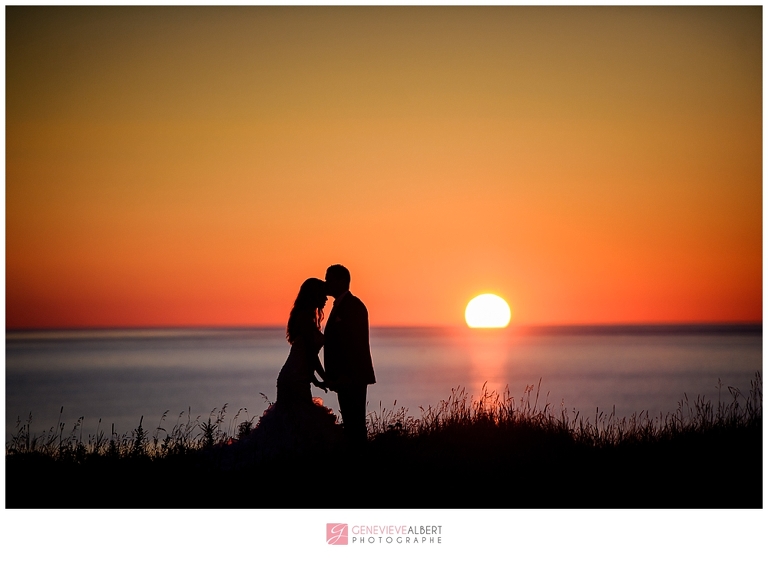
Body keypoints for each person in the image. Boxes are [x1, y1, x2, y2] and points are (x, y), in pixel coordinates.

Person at [244, 277, 341, 458]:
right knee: (298, 418)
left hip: (299, 376)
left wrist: (316, 381)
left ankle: (291, 455)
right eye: (323, 294)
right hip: (294, 377)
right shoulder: (304, 318)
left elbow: (307, 355)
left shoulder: (309, 317)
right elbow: (310, 355)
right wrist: (325, 377)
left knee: (297, 418)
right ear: (314, 295)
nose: (326, 298)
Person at [323, 264, 376, 447]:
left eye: (329, 279)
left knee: (355, 425)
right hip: (344, 377)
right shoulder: (340, 306)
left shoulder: (353, 306)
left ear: (341, 281)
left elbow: (355, 344)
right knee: (350, 423)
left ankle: (359, 460)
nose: (326, 283)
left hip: (352, 377)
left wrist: (347, 375)